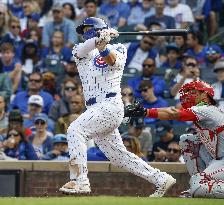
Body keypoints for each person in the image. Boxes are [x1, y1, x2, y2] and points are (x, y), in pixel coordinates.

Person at [59, 17, 176, 197]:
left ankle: (80, 181)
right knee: (118, 156)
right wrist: (99, 40)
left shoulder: (119, 48)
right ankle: (160, 178)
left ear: (98, 28)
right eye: (83, 32)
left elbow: (113, 62)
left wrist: (104, 46)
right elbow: (84, 48)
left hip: (110, 105)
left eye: (88, 29)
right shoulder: (79, 51)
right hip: (94, 109)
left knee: (75, 129)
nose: (84, 34)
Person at [125, 80, 224, 198]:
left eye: (193, 92)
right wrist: (144, 111)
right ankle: (198, 185)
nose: (188, 95)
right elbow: (172, 110)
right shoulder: (204, 111)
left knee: (198, 187)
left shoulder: (207, 110)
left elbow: (174, 114)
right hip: (217, 159)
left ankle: (198, 186)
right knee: (187, 139)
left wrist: (146, 112)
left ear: (204, 95)